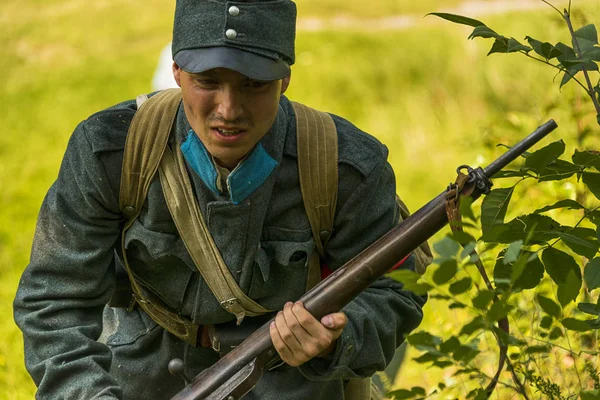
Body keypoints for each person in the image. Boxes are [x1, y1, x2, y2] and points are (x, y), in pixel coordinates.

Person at [13, 0, 427, 399]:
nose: (228, 109)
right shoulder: (112, 153)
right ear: (176, 70)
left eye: (254, 85)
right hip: (137, 379)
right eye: (207, 82)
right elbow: (55, 303)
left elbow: (394, 293)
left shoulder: (343, 168)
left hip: (293, 386)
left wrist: (335, 340)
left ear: (285, 78)